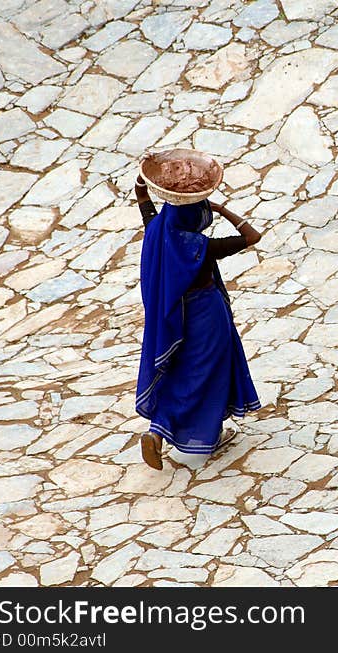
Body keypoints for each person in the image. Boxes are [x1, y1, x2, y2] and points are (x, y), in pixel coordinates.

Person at [133, 173, 262, 470]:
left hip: (175, 319)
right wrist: (222, 209)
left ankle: (161, 432)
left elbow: (142, 197)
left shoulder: (157, 229)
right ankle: (195, 433)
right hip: (207, 316)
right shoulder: (201, 247)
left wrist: (145, 178)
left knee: (181, 373)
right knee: (208, 375)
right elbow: (252, 237)